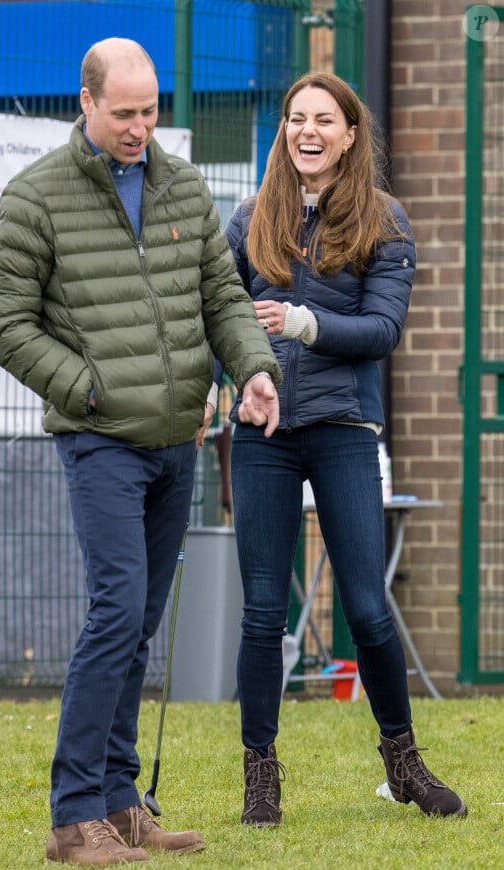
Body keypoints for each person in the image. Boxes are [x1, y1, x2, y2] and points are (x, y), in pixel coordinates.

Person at [0, 37, 281, 867]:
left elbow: (222, 296)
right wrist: (88, 390)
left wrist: (253, 369)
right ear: (86, 103)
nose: (140, 128)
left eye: (151, 112)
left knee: (139, 622)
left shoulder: (182, 183)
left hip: (174, 442)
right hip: (99, 440)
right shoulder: (35, 196)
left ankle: (121, 802)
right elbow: (3, 323)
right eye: (124, 113)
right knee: (117, 611)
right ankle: (74, 817)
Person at [225, 71, 467, 827]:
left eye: (324, 120)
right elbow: (221, 316)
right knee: (264, 613)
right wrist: (231, 380)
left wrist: (302, 324)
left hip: (342, 432)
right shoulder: (246, 220)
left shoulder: (385, 222)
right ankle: (260, 778)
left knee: (366, 606)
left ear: (351, 133)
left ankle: (403, 764)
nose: (307, 131)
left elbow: (383, 332)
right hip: (262, 435)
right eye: (296, 118)